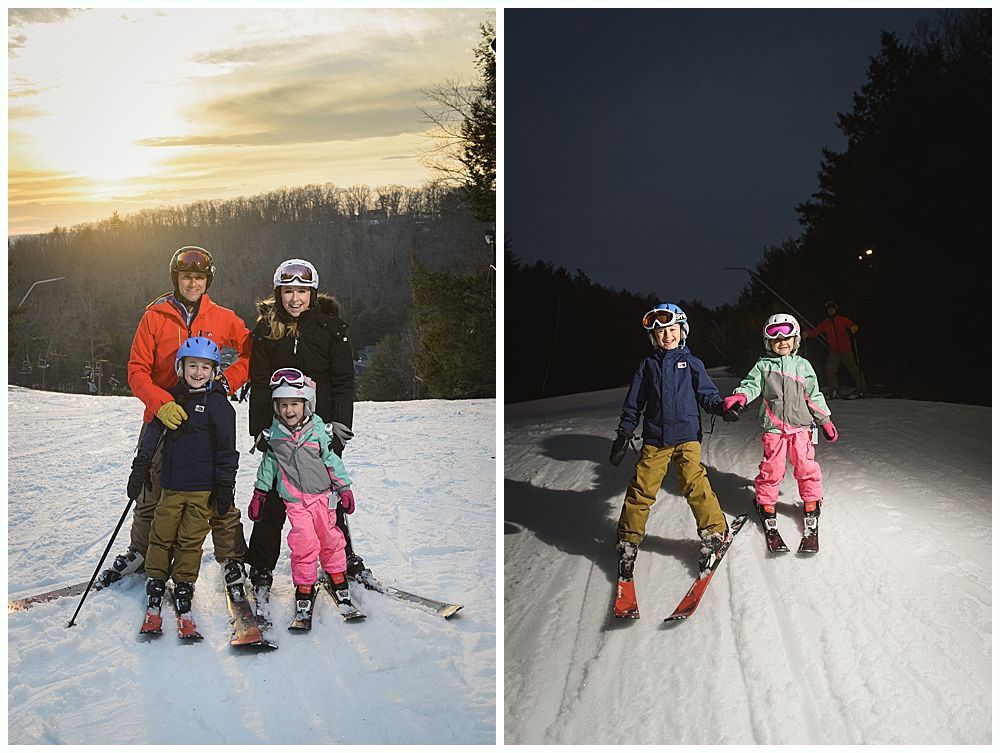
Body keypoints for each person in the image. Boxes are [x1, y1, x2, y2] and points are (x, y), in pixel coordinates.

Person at [102, 246, 253, 590]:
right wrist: (160, 402)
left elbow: (251, 350)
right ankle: (141, 551)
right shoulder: (155, 316)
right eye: (187, 277)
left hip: (205, 415)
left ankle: (231, 557)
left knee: (215, 487)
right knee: (151, 489)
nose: (193, 283)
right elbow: (137, 370)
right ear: (177, 279)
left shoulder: (220, 316)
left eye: (199, 277)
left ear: (207, 280)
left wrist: (228, 380)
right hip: (162, 416)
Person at [245, 258, 364, 602]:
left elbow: (343, 381)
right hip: (280, 429)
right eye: (288, 291)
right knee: (274, 500)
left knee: (325, 501)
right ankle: (261, 567)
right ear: (278, 293)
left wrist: (340, 426)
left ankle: (340, 562)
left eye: (301, 291)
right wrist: (259, 430)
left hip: (320, 428)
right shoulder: (266, 330)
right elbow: (260, 383)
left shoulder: (330, 328)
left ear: (312, 293)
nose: (294, 299)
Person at [609, 303, 730, 576]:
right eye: (661, 332)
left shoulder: (692, 363)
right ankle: (628, 538)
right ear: (654, 336)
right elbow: (634, 403)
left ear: (682, 331)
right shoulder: (648, 366)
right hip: (655, 438)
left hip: (687, 436)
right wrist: (624, 432)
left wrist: (722, 408)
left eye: (672, 330)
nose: (667, 336)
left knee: (694, 483)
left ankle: (715, 531)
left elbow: (708, 395)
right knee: (642, 487)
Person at [128, 337, 238, 619]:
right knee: (161, 534)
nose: (198, 373)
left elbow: (227, 449)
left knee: (190, 540)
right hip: (171, 486)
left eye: (204, 367)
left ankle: (184, 582)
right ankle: (155, 577)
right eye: (192, 366)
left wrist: (225, 484)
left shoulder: (219, 405)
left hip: (203, 490)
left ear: (214, 371)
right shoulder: (170, 398)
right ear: (181, 367)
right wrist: (140, 466)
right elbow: (152, 434)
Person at [249, 369, 355, 613]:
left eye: (295, 403)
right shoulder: (274, 435)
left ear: (307, 404)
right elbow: (269, 466)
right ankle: (304, 585)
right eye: (283, 404)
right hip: (295, 500)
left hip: (322, 497)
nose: (289, 410)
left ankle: (337, 574)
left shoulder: (319, 431)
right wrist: (260, 493)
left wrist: (344, 489)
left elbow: (331, 461)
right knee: (304, 542)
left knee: (331, 538)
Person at [721, 314, 838, 530]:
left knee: (806, 466)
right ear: (768, 342)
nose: (782, 342)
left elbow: (813, 395)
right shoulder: (763, 366)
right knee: (772, 468)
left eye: (787, 337)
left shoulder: (803, 366)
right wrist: (741, 396)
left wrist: (825, 420)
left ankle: (811, 499)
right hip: (774, 428)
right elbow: (751, 385)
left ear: (795, 340)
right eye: (776, 339)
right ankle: (765, 502)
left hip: (801, 428)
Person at [804, 300, 867, 398]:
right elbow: (816, 332)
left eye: (832, 309)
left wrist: (854, 328)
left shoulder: (842, 320)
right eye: (829, 310)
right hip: (834, 352)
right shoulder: (826, 323)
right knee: (830, 369)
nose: (830, 311)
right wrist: (807, 333)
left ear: (835, 310)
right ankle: (834, 390)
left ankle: (861, 389)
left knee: (854, 370)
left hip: (846, 351)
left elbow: (852, 325)